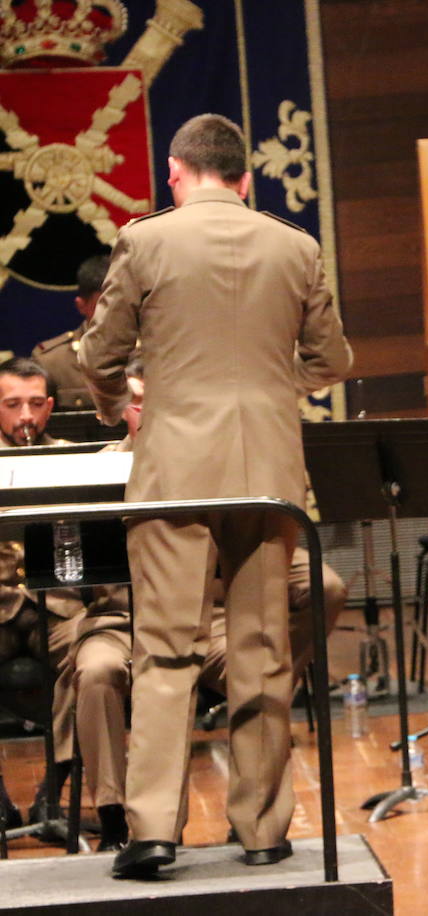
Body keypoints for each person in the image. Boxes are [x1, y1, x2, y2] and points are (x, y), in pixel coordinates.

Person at [79, 113, 351, 878]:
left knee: (166, 651)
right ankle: (264, 830)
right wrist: (267, 389)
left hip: (173, 472)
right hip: (268, 473)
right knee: (262, 652)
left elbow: (101, 354)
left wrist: (115, 408)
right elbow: (331, 359)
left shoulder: (145, 240)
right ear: (244, 175)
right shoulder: (297, 246)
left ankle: (154, 831)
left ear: (175, 170)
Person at [62, 363, 348, 851]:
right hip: (121, 622)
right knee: (95, 672)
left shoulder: (214, 469)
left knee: (270, 644)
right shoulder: (101, 466)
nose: (146, 415)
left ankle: (253, 806)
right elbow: (63, 564)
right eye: (136, 406)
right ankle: (115, 818)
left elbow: (299, 572)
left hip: (209, 622)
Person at [0, 357, 126, 838]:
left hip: (58, 609)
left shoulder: (75, 460)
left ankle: (53, 793)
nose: (25, 416)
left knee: (90, 657)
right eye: (13, 405)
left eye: (35, 404)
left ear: (50, 406)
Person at [31, 254, 109, 410]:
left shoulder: (157, 353)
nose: (115, 315)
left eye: (123, 305)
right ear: (81, 306)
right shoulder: (52, 362)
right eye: (104, 307)